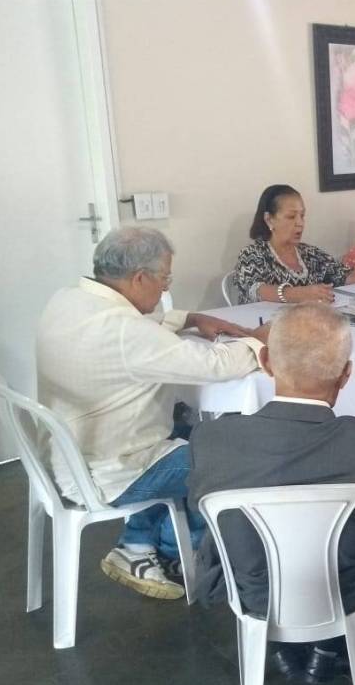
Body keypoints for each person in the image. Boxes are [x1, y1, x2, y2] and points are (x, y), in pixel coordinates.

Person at [36, 227, 267, 599]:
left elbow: (132, 331)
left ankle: (138, 543)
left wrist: (190, 318)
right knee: (226, 460)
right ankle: (177, 553)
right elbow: (215, 365)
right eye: (164, 280)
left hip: (66, 454)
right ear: (140, 277)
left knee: (196, 432)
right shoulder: (124, 331)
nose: (163, 289)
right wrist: (260, 340)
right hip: (110, 471)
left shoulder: (69, 300)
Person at [189, 303, 355, 683]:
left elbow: (201, 512)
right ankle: (329, 646)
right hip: (345, 593)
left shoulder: (213, 440)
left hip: (252, 593)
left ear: (266, 362)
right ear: (347, 374)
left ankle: (285, 644)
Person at [235, 184, 355, 305]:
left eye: (302, 216)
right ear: (269, 219)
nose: (300, 223)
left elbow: (345, 274)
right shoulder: (253, 254)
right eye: (291, 217)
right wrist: (300, 294)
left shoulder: (309, 254)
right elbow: (256, 290)